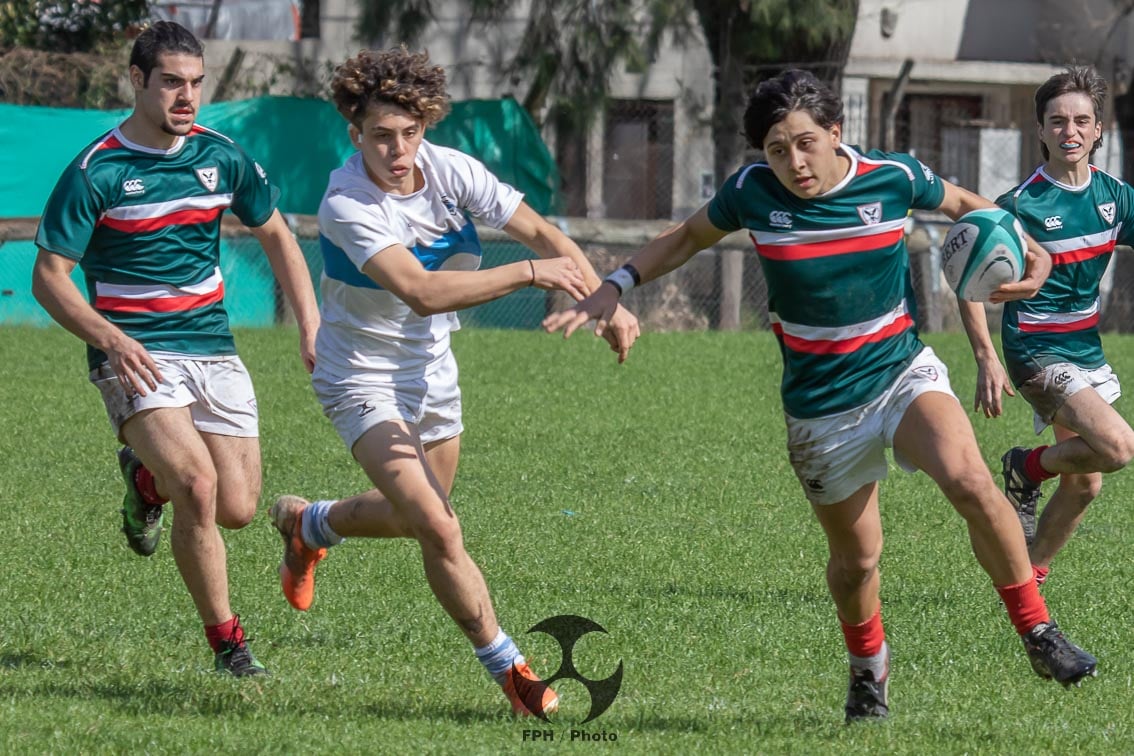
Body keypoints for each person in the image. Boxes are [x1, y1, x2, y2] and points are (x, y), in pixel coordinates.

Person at [543, 69, 1098, 723]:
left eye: (805, 142)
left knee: (971, 479)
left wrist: (1022, 241)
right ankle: (869, 675)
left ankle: (1038, 632)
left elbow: (956, 203)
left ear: (835, 133)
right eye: (777, 150)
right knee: (858, 560)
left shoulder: (890, 176)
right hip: (821, 407)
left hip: (900, 372)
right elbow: (688, 237)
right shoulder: (752, 193)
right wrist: (617, 281)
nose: (794, 162)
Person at [268, 47, 639, 716]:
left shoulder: (451, 171)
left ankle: (310, 525)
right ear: (355, 134)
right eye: (381, 135)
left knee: (420, 519)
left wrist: (603, 300)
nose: (398, 149)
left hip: (432, 370)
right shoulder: (347, 200)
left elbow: (544, 234)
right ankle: (514, 674)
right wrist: (527, 274)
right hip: (359, 375)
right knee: (441, 527)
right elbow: (422, 291)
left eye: (410, 133)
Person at [32, 21, 320, 677]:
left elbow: (277, 235)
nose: (186, 97)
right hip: (133, 353)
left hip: (212, 347)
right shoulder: (96, 170)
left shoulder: (222, 156)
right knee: (195, 483)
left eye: (195, 83)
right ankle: (230, 648)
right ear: (137, 81)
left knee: (238, 507)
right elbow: (47, 278)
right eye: (171, 83)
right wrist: (109, 337)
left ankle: (141, 479)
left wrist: (311, 323)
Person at [958, 65, 1134, 587]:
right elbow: (969, 284)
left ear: (1099, 129)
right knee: (1119, 446)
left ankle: (1025, 579)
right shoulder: (1019, 205)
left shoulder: (1116, 196)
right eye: (1057, 121)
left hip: (1086, 348)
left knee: (1084, 485)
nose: (1070, 132)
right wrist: (987, 358)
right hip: (1034, 347)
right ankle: (1026, 468)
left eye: (1082, 121)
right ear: (1040, 131)